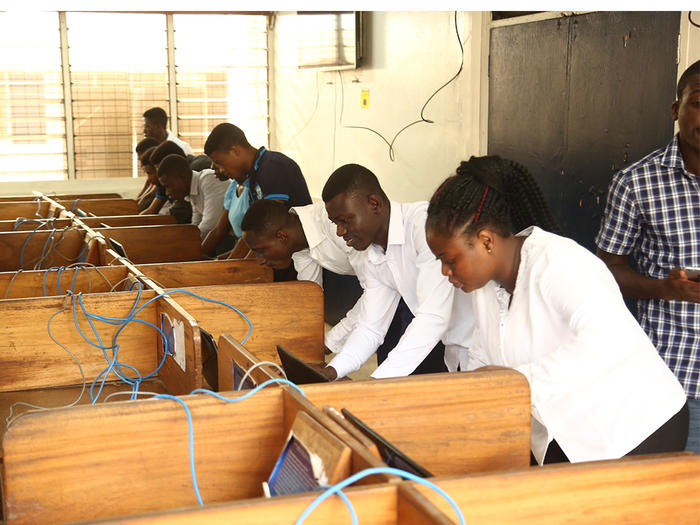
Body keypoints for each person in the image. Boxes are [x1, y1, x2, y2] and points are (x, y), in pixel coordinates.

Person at [425, 155, 688, 465]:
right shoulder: (486, 287)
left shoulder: (560, 263)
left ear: (485, 241)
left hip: (637, 425)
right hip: (572, 430)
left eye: (449, 259)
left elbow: (609, 342)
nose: (444, 271)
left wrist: (511, 384)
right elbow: (484, 357)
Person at [595, 60, 700, 455]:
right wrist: (665, 288)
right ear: (677, 109)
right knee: (681, 501)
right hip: (676, 377)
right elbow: (606, 270)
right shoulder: (636, 183)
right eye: (699, 103)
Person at [319, 163, 474, 380]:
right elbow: (370, 328)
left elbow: (432, 317)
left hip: (484, 349)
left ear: (374, 203)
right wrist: (330, 372)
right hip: (455, 352)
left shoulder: (424, 225)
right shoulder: (371, 253)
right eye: (335, 223)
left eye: (345, 220)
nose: (340, 231)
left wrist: (377, 381)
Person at [201, 123, 312, 260]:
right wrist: (228, 262)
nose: (221, 170)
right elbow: (253, 232)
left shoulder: (272, 167)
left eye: (219, 162)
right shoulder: (253, 175)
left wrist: (234, 266)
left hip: (300, 255)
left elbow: (264, 228)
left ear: (235, 151)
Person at [156, 154, 230, 239]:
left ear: (182, 178)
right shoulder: (192, 193)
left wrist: (187, 244)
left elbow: (210, 224)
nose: (167, 193)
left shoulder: (209, 179)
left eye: (168, 186)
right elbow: (196, 225)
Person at [135, 137, 160, 210]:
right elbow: (141, 197)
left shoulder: (158, 179)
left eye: (140, 154)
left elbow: (148, 198)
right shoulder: (151, 177)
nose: (139, 158)